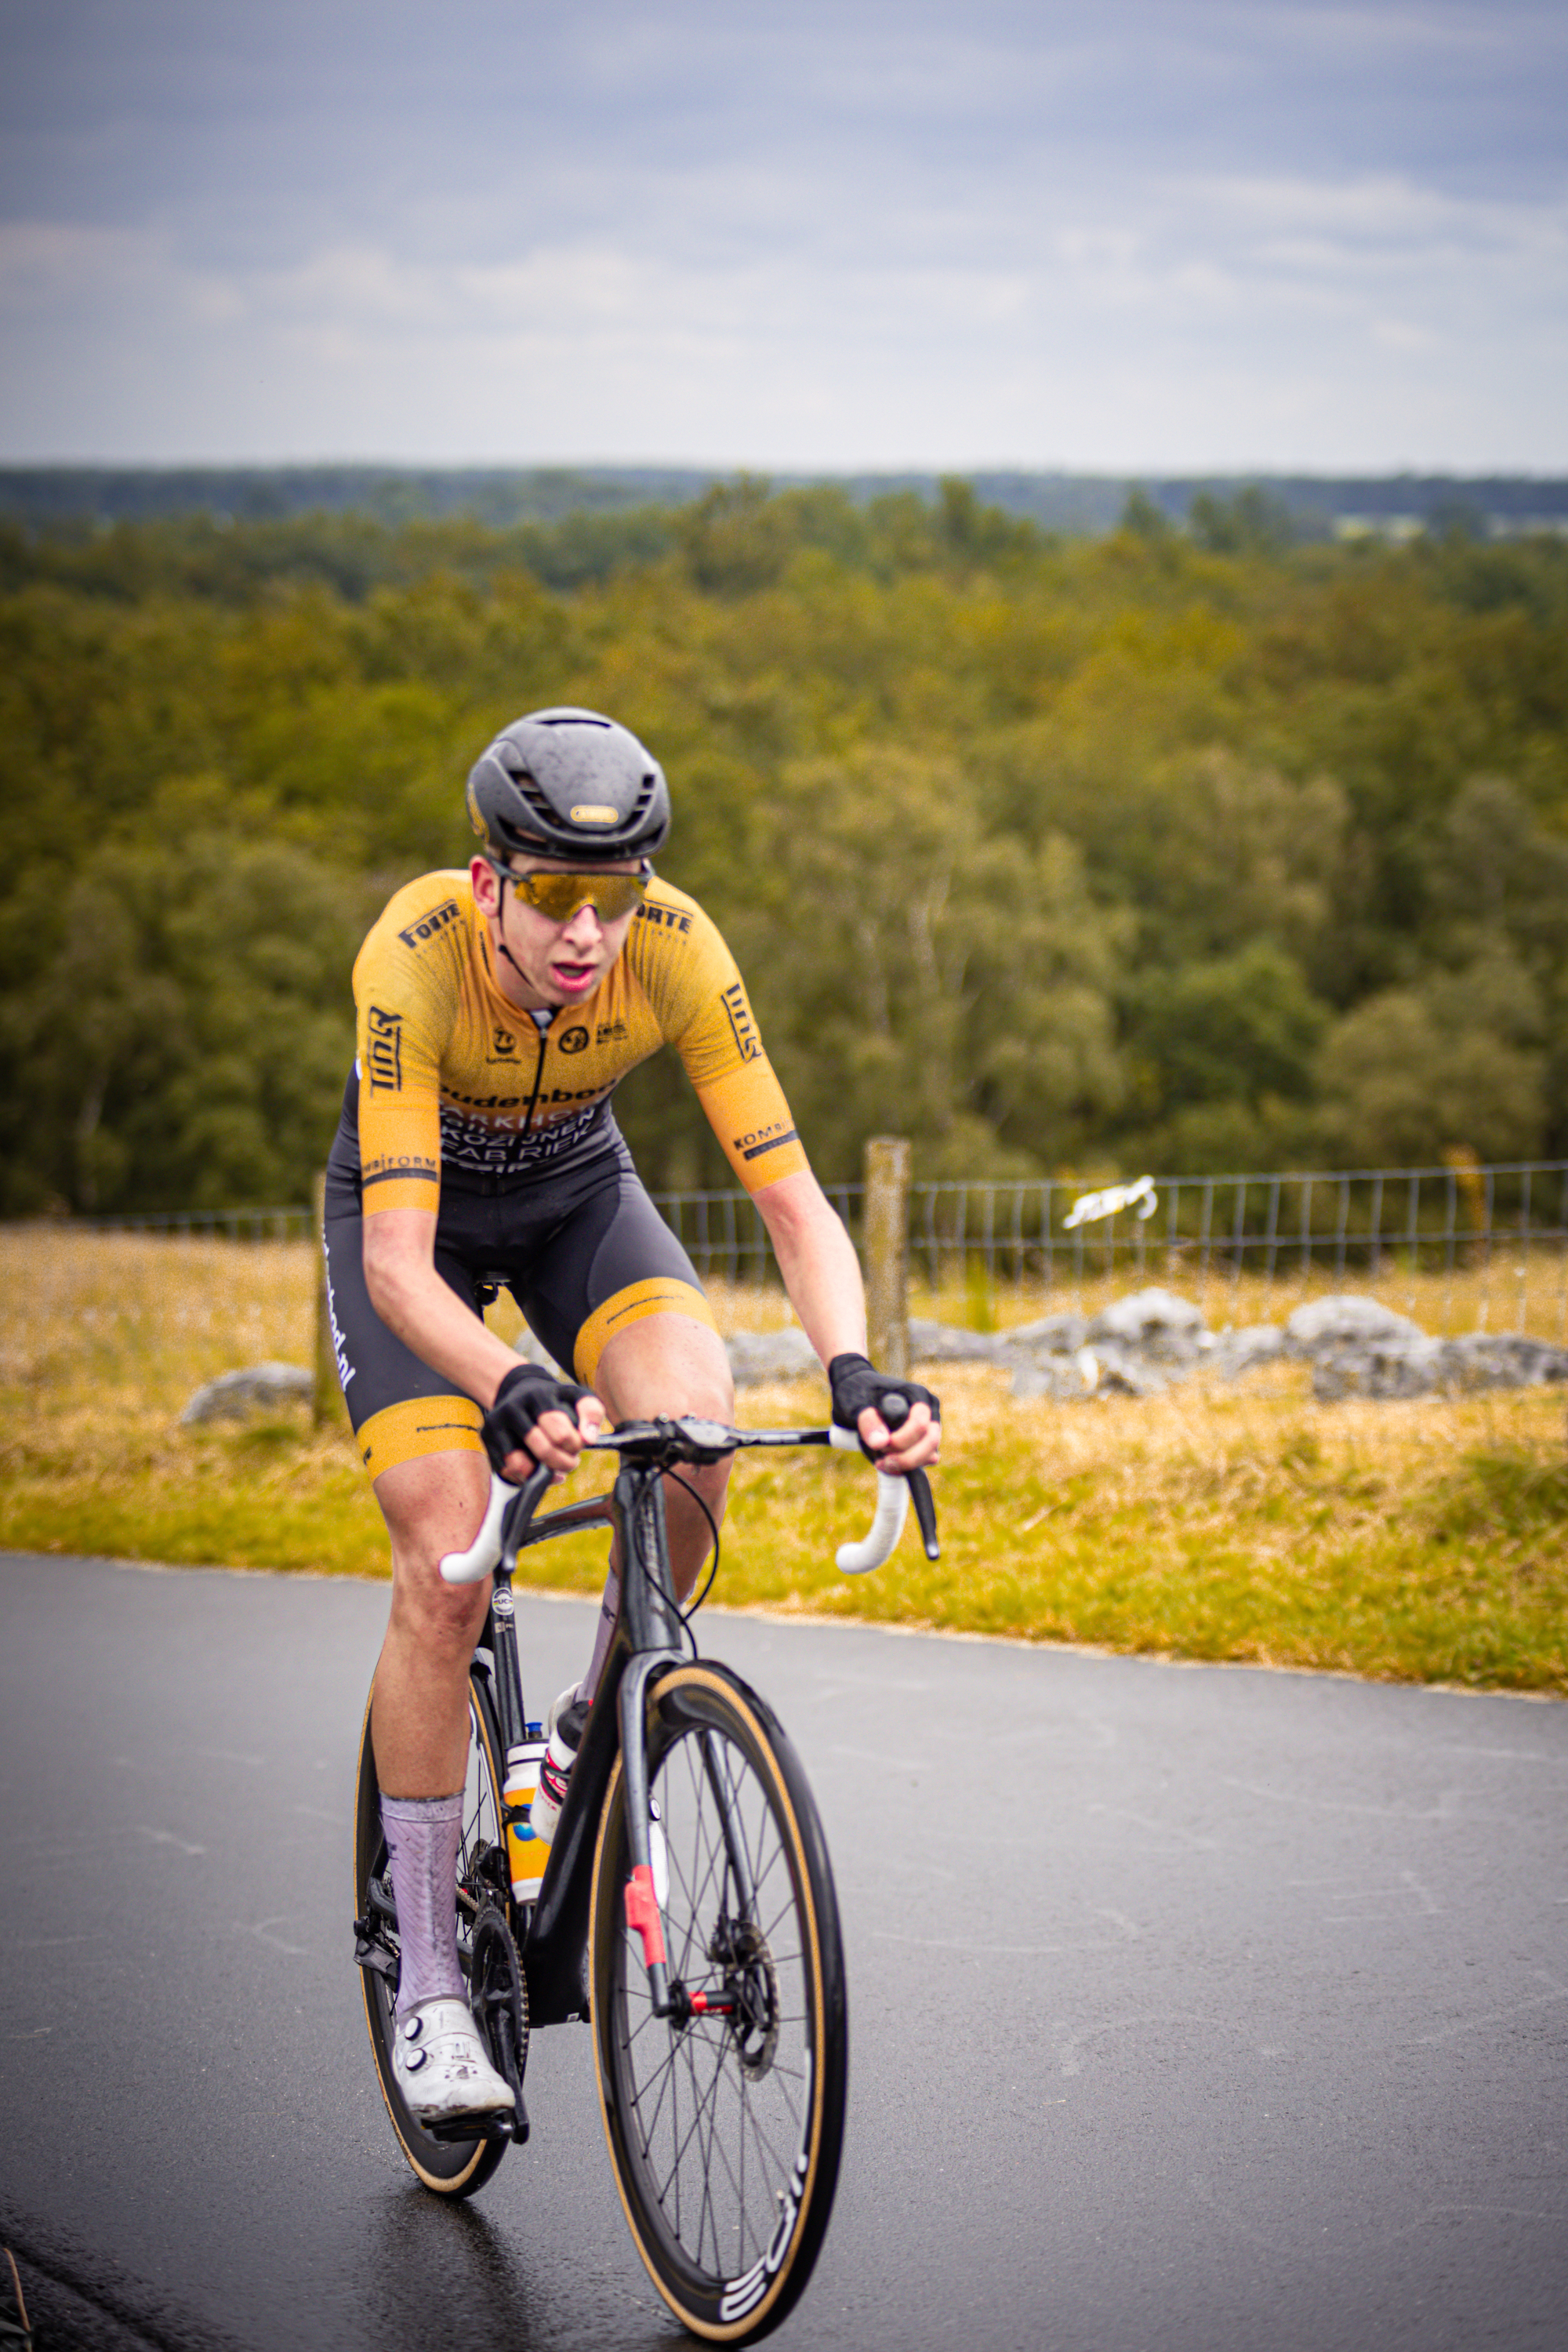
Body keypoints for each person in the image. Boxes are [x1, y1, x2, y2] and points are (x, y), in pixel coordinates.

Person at [324, 706, 940, 2121]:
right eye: (551, 894)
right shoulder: (410, 962)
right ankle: (426, 1979)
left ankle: (591, 1729)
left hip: (578, 1209)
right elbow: (399, 1272)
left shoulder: (675, 948)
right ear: (491, 883)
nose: (587, 930)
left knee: (695, 1435)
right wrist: (506, 1382)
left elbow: (793, 1203)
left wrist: (856, 1370)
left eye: (616, 895)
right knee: (446, 1549)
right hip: (416, 1233)